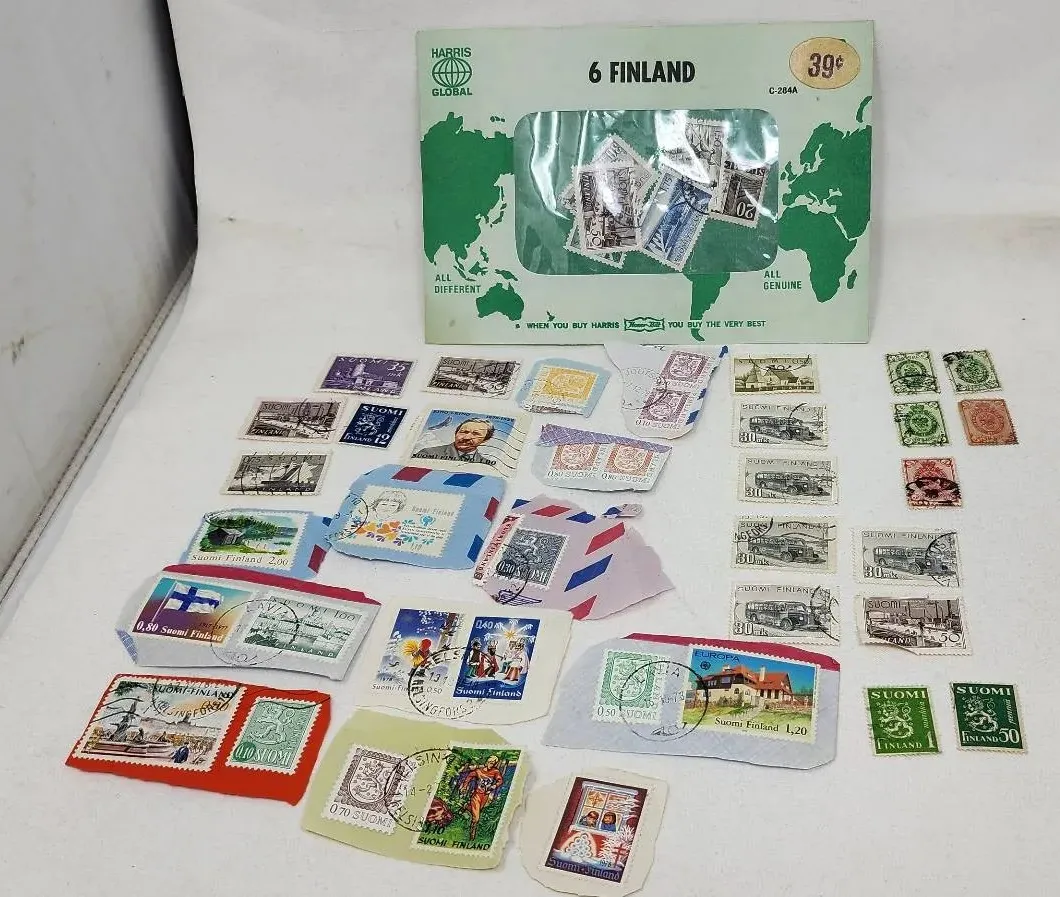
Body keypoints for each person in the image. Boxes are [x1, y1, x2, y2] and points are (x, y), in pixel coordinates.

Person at [412, 419, 497, 465]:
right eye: (463, 432)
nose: (466, 437)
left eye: (476, 434)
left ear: (485, 440)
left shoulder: (487, 464)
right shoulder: (428, 453)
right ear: (456, 433)